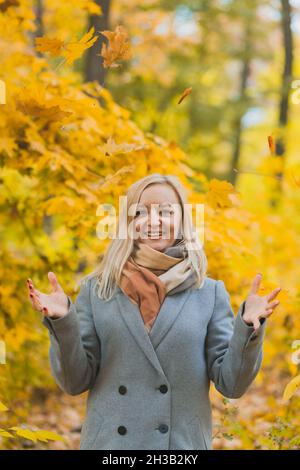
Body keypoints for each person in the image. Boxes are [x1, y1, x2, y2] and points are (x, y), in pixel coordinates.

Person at [27, 173, 281, 450]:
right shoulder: (97, 290)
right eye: (140, 212)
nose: (153, 221)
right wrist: (62, 321)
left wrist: (247, 326)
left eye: (166, 212)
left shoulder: (208, 292)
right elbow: (75, 382)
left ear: (182, 221)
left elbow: (231, 385)